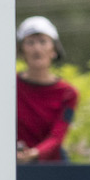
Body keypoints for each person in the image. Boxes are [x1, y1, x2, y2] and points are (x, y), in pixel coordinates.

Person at [15, 15, 78, 164]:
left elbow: (57, 136)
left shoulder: (68, 93)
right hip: (12, 165)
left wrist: (35, 153)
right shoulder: (8, 86)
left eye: (43, 42)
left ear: (54, 49)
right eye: (30, 42)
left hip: (53, 168)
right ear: (21, 51)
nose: (37, 48)